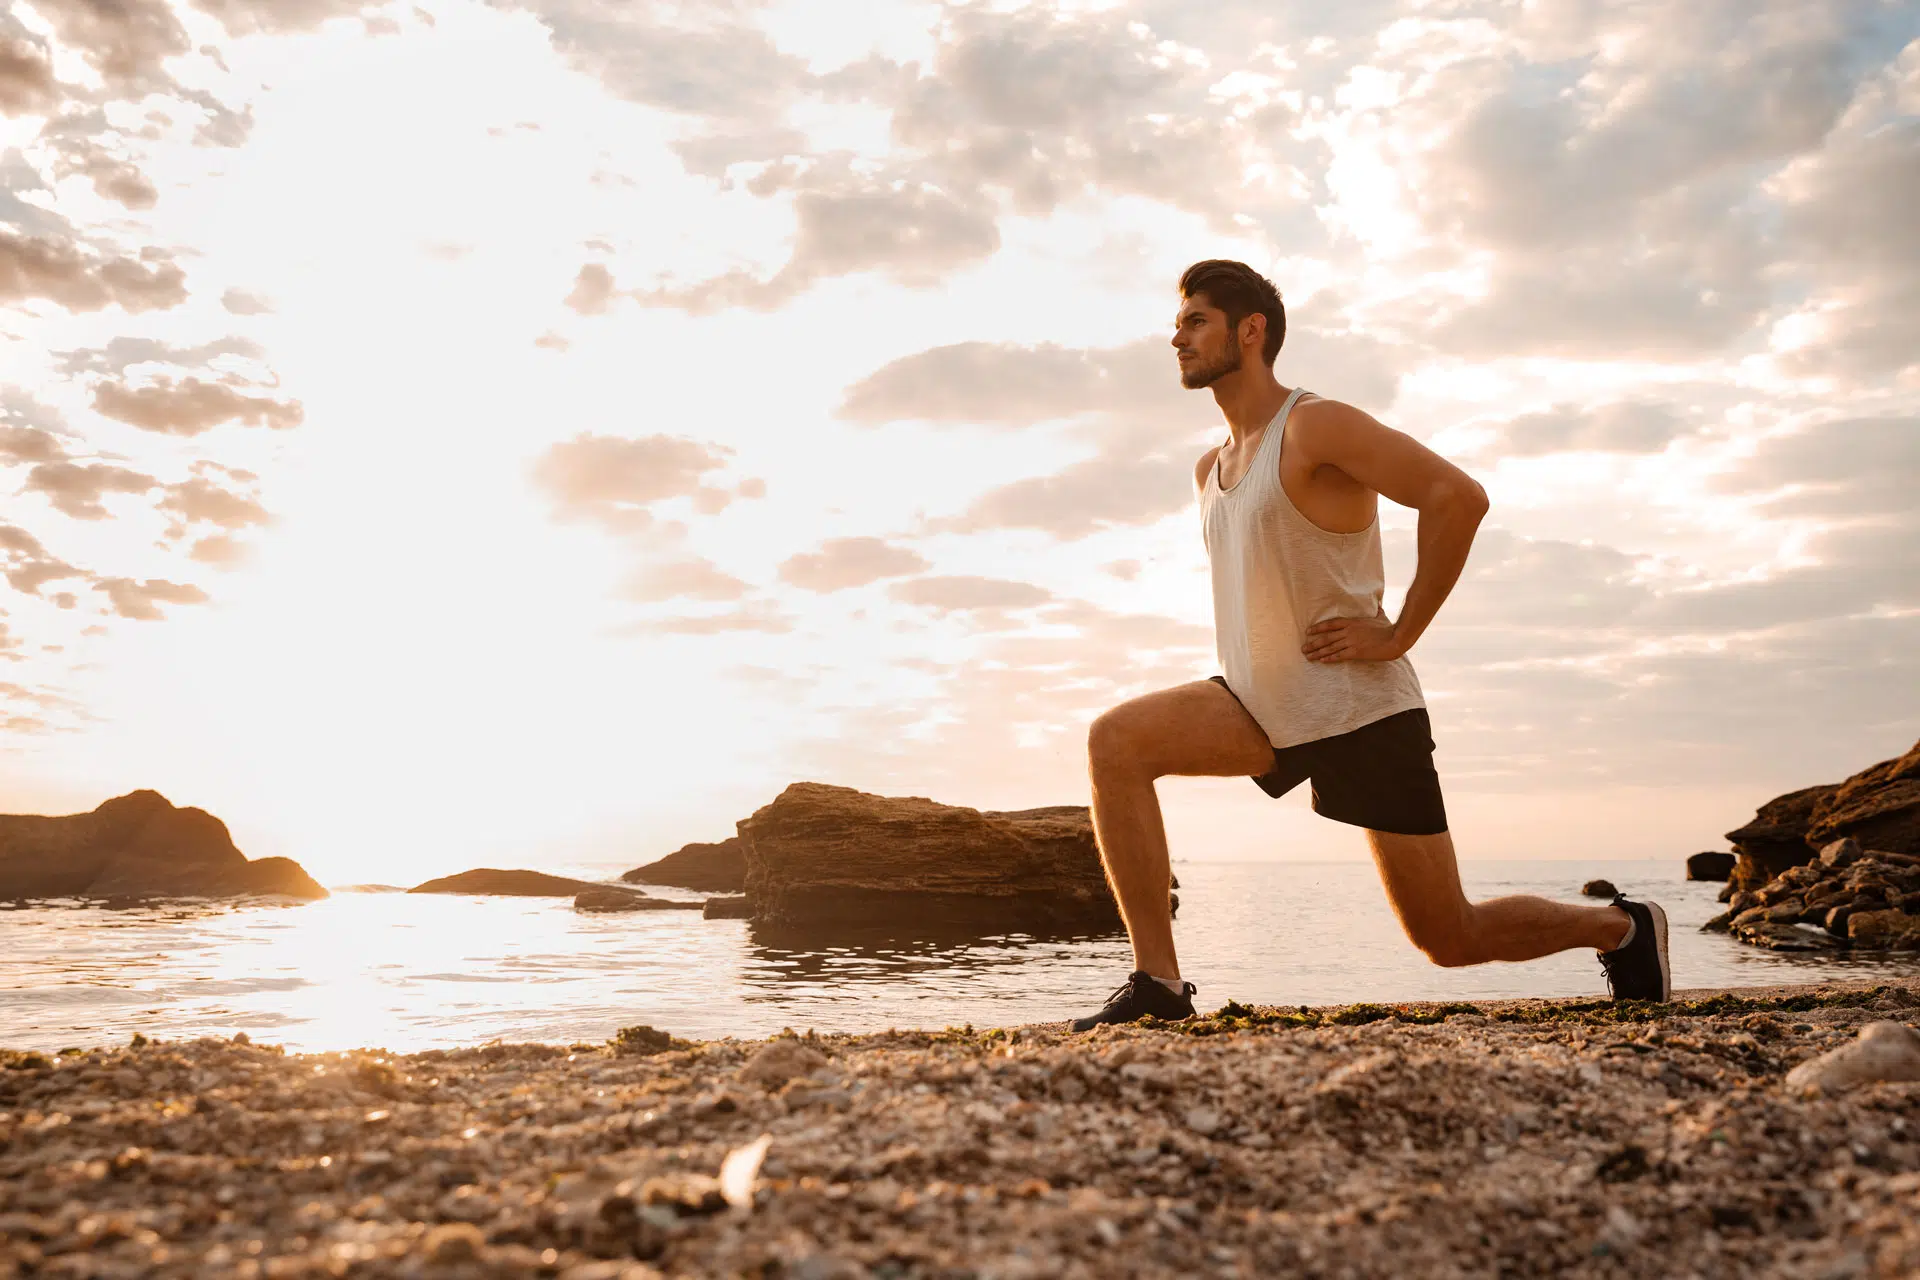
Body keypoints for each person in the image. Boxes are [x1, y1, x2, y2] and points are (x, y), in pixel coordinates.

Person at [1070, 260, 1669, 1031]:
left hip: (1359, 709)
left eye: (1194, 321)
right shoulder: (1209, 468)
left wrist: (1401, 631)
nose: (1176, 336)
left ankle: (1621, 928)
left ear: (1250, 332)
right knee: (1116, 742)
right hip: (1261, 705)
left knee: (1448, 937)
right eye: (1178, 322)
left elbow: (1458, 497)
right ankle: (1157, 982)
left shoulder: (1315, 425)